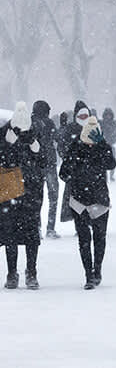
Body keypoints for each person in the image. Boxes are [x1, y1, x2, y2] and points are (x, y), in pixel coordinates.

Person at [59, 115, 116, 289]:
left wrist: (103, 144)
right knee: (84, 239)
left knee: (99, 238)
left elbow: (111, 164)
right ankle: (88, 275)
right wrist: (74, 174)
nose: (90, 144)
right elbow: (63, 173)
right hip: (80, 201)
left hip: (98, 200)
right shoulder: (75, 148)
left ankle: (97, 269)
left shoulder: (101, 148)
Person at [0, 102, 47, 290]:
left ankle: (31, 272)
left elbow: (45, 160)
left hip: (31, 191)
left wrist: (35, 146)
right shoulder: (4, 132)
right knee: (10, 233)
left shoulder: (35, 132)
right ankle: (12, 272)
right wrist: (6, 144)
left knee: (31, 235)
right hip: (10, 190)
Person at [58, 101, 90, 224]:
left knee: (78, 198)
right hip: (79, 170)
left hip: (79, 169)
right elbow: (62, 145)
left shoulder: (71, 128)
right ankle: (83, 221)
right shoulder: (72, 129)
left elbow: (61, 145)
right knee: (79, 198)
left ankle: (82, 221)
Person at [31, 100, 60, 239]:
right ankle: (50, 228)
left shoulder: (30, 123)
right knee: (53, 197)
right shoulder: (49, 123)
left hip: (35, 165)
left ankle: (36, 227)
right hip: (49, 163)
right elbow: (57, 138)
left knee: (36, 197)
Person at [100, 107, 116, 182]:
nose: (108, 116)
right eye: (106, 115)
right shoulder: (101, 122)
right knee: (103, 161)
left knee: (112, 159)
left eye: (109, 115)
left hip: (111, 144)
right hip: (102, 144)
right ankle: (104, 175)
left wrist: (114, 139)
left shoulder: (114, 123)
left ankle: (112, 175)